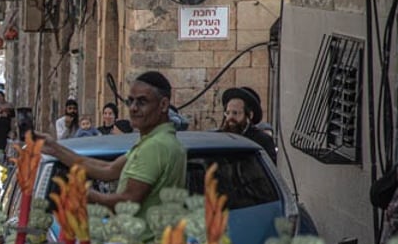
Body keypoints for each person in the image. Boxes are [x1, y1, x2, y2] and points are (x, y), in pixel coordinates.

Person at [43, 72, 186, 216]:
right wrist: (55, 149)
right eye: (131, 101)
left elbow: (127, 202)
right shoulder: (158, 140)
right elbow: (108, 169)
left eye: (142, 102)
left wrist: (84, 193)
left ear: (163, 105)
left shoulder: (155, 146)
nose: (133, 108)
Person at [220, 87, 277, 163]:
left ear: (250, 115)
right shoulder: (219, 138)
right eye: (227, 113)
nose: (230, 117)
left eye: (235, 113)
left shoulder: (263, 141)